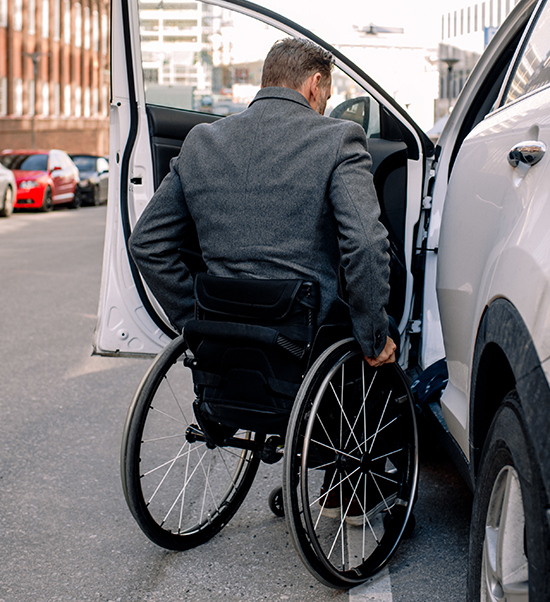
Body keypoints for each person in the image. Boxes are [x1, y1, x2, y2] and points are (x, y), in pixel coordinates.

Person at [128, 37, 396, 367]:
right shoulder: (338, 138)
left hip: (221, 327)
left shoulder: (201, 140)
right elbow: (367, 245)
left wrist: (195, 321)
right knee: (384, 331)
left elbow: (146, 242)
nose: (324, 106)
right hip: (306, 337)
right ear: (315, 85)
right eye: (326, 97)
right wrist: (372, 339)